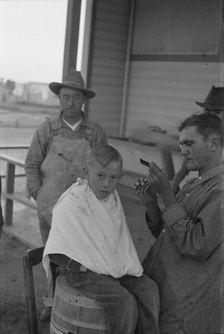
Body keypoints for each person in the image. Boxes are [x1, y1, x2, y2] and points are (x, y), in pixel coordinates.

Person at [43, 144, 160, 334]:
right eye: (100, 176)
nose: (107, 184)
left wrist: (111, 265)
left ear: (120, 177)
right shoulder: (73, 200)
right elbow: (57, 247)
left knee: (149, 290)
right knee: (124, 301)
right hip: (79, 269)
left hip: (108, 265)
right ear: (86, 172)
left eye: (113, 178)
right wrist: (85, 267)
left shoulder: (112, 199)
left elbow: (115, 242)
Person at [25, 69, 107, 320]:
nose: (70, 102)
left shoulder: (95, 132)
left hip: (82, 210)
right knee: (52, 256)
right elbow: (31, 164)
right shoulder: (47, 129)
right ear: (59, 99)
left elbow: (104, 168)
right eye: (66, 97)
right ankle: (50, 302)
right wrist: (38, 193)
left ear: (84, 101)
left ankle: (72, 304)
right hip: (50, 208)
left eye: (75, 98)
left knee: (78, 258)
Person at [134, 111, 224, 334]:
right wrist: (152, 206)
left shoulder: (220, 190)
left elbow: (195, 244)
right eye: (181, 144)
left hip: (185, 306)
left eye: (189, 143)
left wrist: (167, 196)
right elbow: (168, 235)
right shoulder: (195, 183)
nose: (183, 150)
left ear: (214, 143)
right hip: (164, 291)